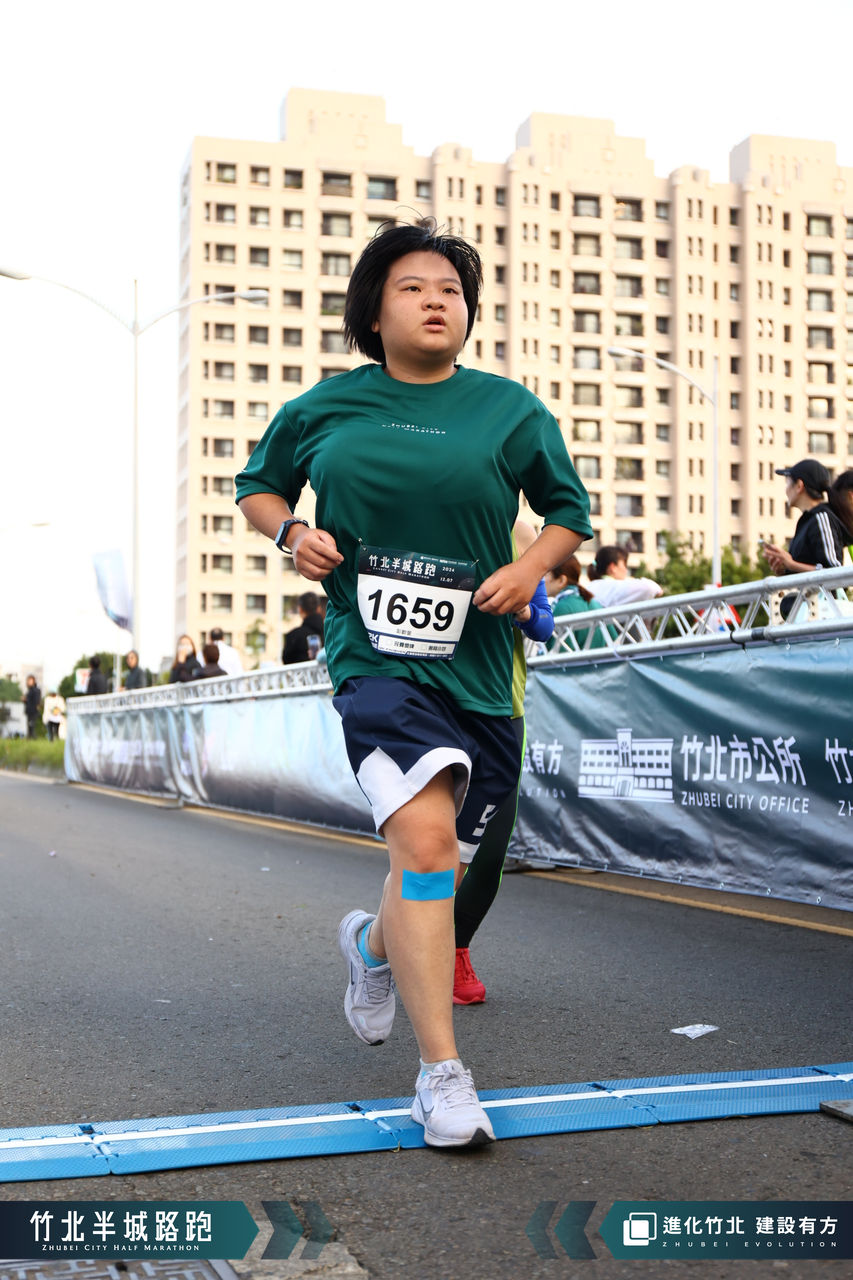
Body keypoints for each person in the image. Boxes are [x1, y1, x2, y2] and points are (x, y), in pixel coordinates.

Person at [235, 219, 592, 1149]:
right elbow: (258, 487)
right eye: (413, 287)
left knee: (434, 866)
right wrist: (291, 535)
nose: (437, 301)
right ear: (373, 311)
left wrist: (530, 569)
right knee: (426, 846)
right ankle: (442, 1078)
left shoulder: (507, 410)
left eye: (451, 291)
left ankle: (368, 946)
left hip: (480, 670)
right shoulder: (326, 407)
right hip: (374, 658)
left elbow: (567, 511)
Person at [452, 521, 554, 1005]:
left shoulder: (524, 532)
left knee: (489, 852)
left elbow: (544, 626)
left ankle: (454, 948)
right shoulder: (430, 506)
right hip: (434, 706)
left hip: (501, 710)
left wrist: (524, 609)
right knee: (427, 845)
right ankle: (399, 945)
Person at [763, 459, 846, 576]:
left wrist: (791, 564)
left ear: (799, 486)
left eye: (787, 483)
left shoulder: (822, 518)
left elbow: (834, 572)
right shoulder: (806, 521)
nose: (786, 490)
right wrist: (785, 570)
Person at [544, 553, 610, 653]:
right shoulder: (593, 602)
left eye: (545, 575)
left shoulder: (563, 607)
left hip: (579, 664)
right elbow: (615, 641)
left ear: (561, 580)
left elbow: (559, 654)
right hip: (601, 663)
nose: (541, 580)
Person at [586, 545, 663, 608]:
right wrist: (658, 590)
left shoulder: (590, 587)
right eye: (624, 565)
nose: (626, 570)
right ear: (613, 567)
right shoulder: (611, 587)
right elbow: (649, 588)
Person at [282, 591, 326, 664]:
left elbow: (286, 661)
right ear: (319, 609)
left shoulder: (293, 636)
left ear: (300, 609)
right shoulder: (330, 632)